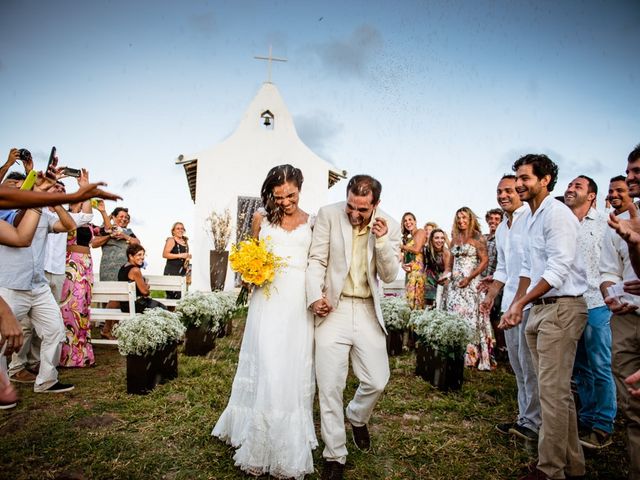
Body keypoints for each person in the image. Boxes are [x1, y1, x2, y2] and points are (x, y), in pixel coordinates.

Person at [213, 165, 317, 479]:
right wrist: (248, 275)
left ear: (300, 188)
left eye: (291, 195)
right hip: (268, 298)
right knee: (269, 363)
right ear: (270, 194)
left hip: (298, 302)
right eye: (279, 196)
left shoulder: (312, 222)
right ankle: (259, 439)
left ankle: (288, 436)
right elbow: (250, 253)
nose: (286, 202)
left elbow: (316, 263)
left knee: (291, 365)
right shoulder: (261, 218)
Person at [307, 174, 401, 480]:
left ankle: (358, 415)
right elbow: (317, 260)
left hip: (365, 309)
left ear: (376, 204)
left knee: (377, 379)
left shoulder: (389, 223)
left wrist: (383, 240)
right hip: (333, 307)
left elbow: (388, 276)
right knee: (330, 384)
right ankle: (334, 454)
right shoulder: (329, 215)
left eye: (362, 209)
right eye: (351, 206)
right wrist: (314, 297)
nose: (355, 214)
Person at [501, 154, 588, 480]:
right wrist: (516, 306)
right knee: (556, 394)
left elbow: (558, 268)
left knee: (552, 395)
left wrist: (524, 299)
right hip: (538, 310)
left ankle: (549, 470)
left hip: (562, 308)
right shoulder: (532, 218)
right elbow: (526, 268)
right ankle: (573, 466)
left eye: (525, 178)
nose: (519, 184)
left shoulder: (557, 214)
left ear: (545, 179)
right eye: (517, 178)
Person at [480, 175, 540, 444]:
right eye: (499, 191)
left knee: (531, 367)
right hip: (509, 306)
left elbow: (530, 267)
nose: (503, 195)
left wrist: (519, 303)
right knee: (517, 365)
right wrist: (491, 296)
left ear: (520, 190)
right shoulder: (502, 227)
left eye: (509, 190)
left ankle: (536, 423)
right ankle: (525, 419)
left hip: (530, 303)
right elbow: (503, 269)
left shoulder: (532, 218)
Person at [563, 175, 616, 450]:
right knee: (579, 366)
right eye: (569, 185)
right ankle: (586, 416)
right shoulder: (563, 222)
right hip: (571, 302)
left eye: (577, 187)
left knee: (600, 365)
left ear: (592, 195)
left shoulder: (606, 222)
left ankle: (603, 424)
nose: (570, 189)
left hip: (597, 302)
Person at [600, 143, 640, 480]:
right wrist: (611, 294)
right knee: (632, 404)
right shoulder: (620, 223)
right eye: (628, 173)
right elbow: (609, 269)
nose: (629, 180)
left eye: (635, 173)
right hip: (626, 315)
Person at [442, 206, 494, 370]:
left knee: (471, 319)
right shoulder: (455, 239)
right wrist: (445, 276)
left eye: (464, 217)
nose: (461, 221)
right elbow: (449, 264)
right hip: (455, 286)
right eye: (459, 218)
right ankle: (457, 354)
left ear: (470, 219)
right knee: (455, 316)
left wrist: (469, 277)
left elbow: (484, 260)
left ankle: (473, 358)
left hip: (471, 283)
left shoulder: (478, 237)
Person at [92, 206, 139, 337]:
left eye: (126, 218)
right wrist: (109, 235)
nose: (124, 219)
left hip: (124, 269)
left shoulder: (129, 232)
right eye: (121, 217)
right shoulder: (105, 229)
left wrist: (124, 236)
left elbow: (137, 243)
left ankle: (111, 329)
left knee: (121, 298)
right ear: (113, 217)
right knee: (115, 297)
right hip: (109, 269)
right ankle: (107, 329)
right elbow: (94, 243)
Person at [117, 244, 166, 313]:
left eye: (143, 255)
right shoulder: (135, 270)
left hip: (124, 305)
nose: (142, 257)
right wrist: (146, 287)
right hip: (134, 305)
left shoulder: (123, 268)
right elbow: (145, 292)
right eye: (139, 255)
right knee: (163, 309)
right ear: (130, 256)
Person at [400, 212, 426, 310]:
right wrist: (403, 265)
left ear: (415, 221)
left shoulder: (421, 232)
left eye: (410, 219)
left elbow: (417, 249)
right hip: (409, 273)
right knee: (409, 303)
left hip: (418, 273)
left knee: (417, 303)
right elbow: (403, 256)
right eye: (405, 221)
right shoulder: (407, 239)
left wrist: (401, 246)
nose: (408, 222)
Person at [162, 222, 191, 299]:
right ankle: (168, 311)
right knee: (173, 297)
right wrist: (180, 255)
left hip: (182, 273)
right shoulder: (171, 240)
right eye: (178, 228)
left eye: (182, 228)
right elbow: (165, 254)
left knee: (182, 297)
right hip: (171, 272)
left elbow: (184, 260)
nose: (180, 230)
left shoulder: (185, 242)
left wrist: (187, 258)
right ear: (173, 231)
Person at [423, 228, 450, 308]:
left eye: (442, 238)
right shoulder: (426, 250)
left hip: (441, 281)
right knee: (428, 306)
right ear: (431, 239)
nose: (440, 240)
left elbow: (447, 271)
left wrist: (442, 282)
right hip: (429, 282)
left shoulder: (446, 252)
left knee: (440, 306)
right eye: (437, 238)